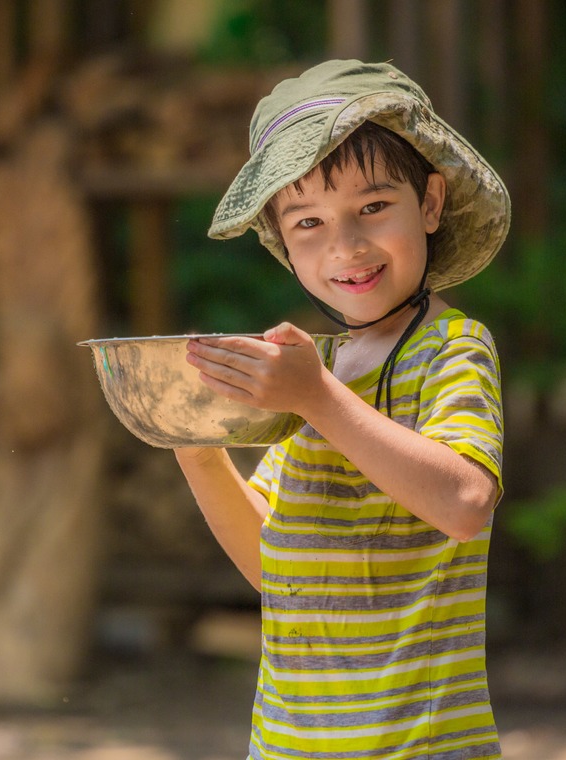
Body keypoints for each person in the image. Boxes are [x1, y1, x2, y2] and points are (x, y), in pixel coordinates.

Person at [174, 59, 511, 759]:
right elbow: (275, 567)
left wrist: (316, 398)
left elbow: (464, 503)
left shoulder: (451, 349)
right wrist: (196, 447)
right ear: (283, 242)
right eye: (309, 222)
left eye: (373, 207)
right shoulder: (315, 369)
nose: (346, 246)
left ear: (431, 203)